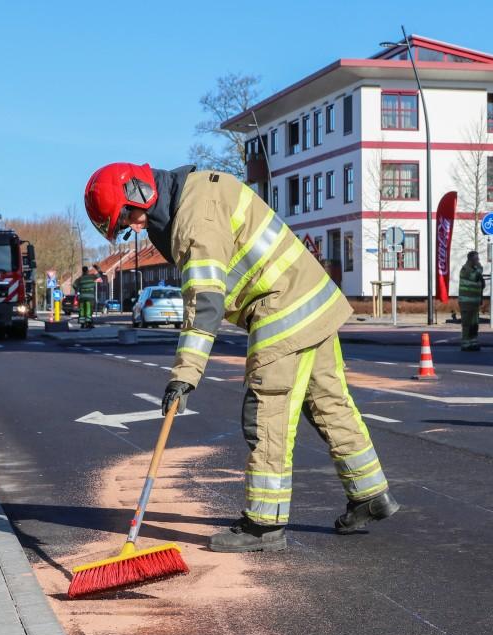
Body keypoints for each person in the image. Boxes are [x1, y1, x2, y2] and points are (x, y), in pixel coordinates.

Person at [84, 163, 399, 552]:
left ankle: (263, 524)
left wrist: (184, 375)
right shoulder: (197, 191)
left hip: (282, 307)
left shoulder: (194, 221)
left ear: (141, 192)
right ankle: (370, 494)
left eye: (128, 217)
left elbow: (204, 303)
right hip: (313, 299)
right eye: (123, 225)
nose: (133, 227)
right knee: (329, 404)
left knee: (266, 413)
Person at [458, 251, 484, 352]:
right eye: (476, 259)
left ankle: (473, 342)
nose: (478, 261)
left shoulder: (475, 269)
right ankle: (466, 344)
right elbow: (475, 277)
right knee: (467, 324)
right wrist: (480, 267)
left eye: (478, 259)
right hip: (466, 302)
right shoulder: (465, 269)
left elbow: (480, 282)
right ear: (471, 260)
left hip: (474, 302)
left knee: (474, 324)